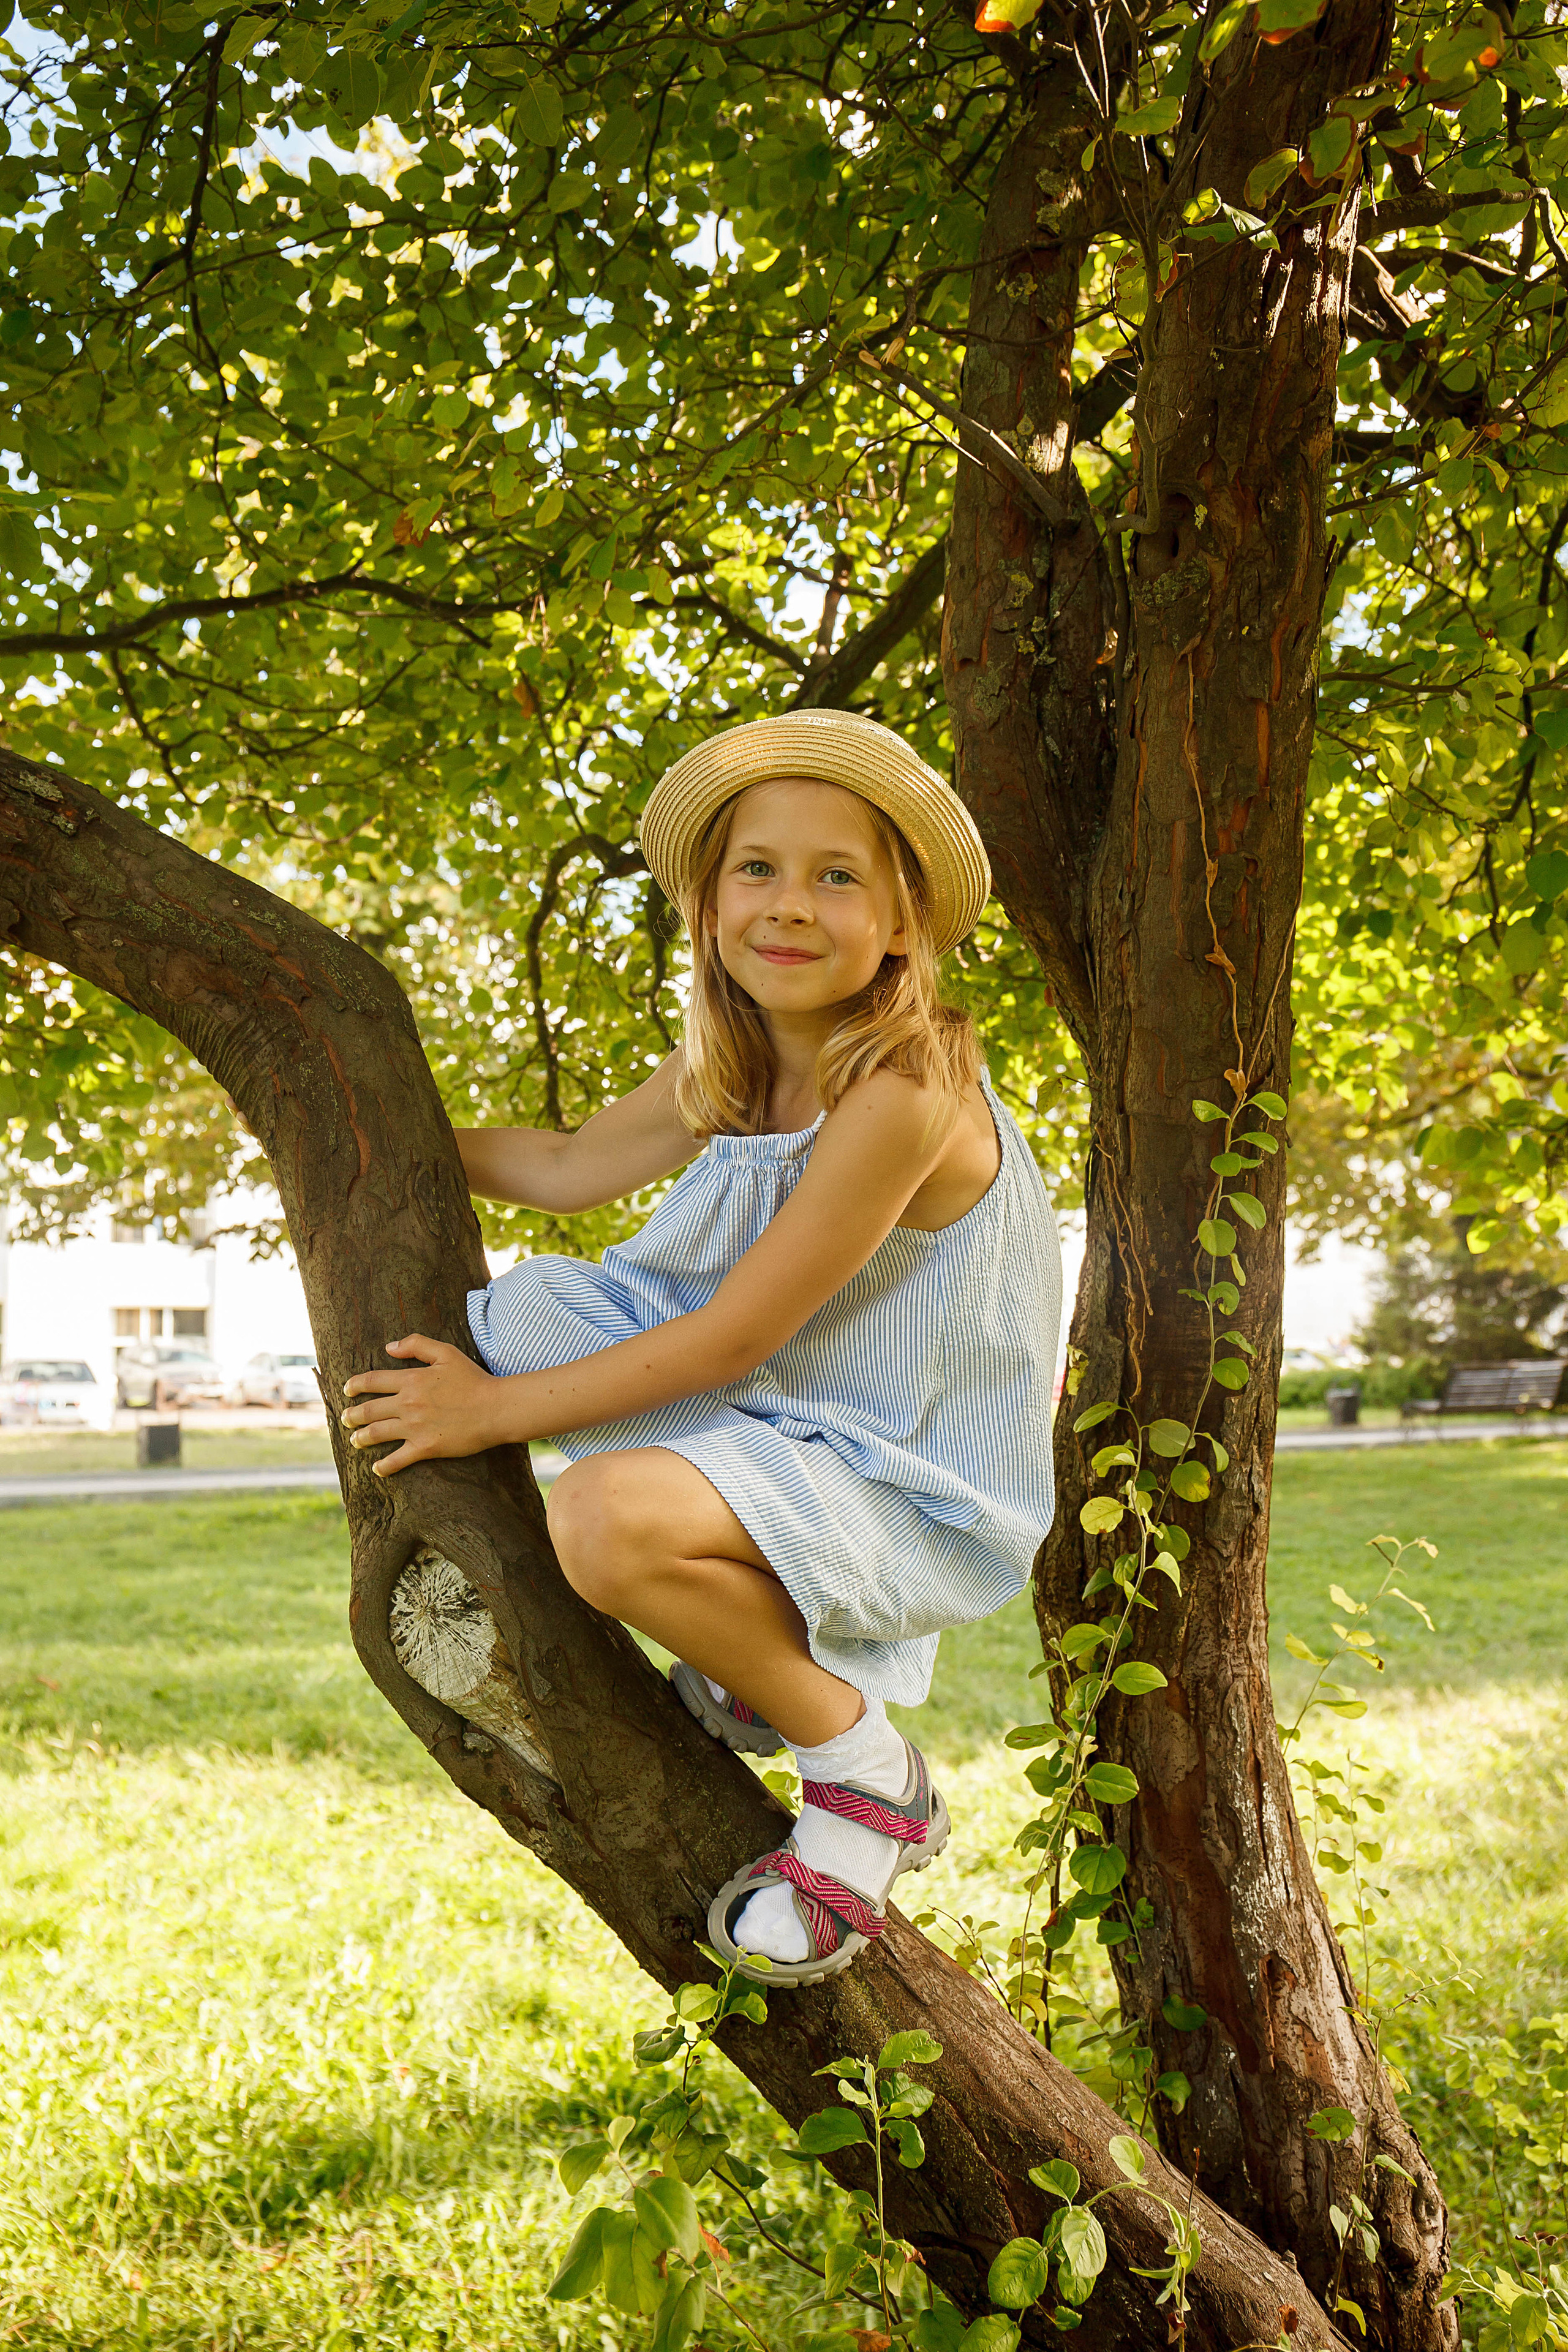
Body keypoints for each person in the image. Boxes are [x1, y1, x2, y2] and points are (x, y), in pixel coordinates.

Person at [340, 710, 1062, 1987]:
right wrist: (363, 1120)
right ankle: (761, 1638)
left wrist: (480, 1421)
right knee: (517, 1316)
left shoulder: (903, 1091)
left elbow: (736, 1331)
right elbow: (562, 1170)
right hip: (778, 1417)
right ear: (709, 903)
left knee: (604, 1519)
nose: (788, 904)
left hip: (900, 1475)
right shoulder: (728, 1060)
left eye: (836, 876)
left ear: (902, 926)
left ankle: (862, 1775)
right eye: (756, 869)